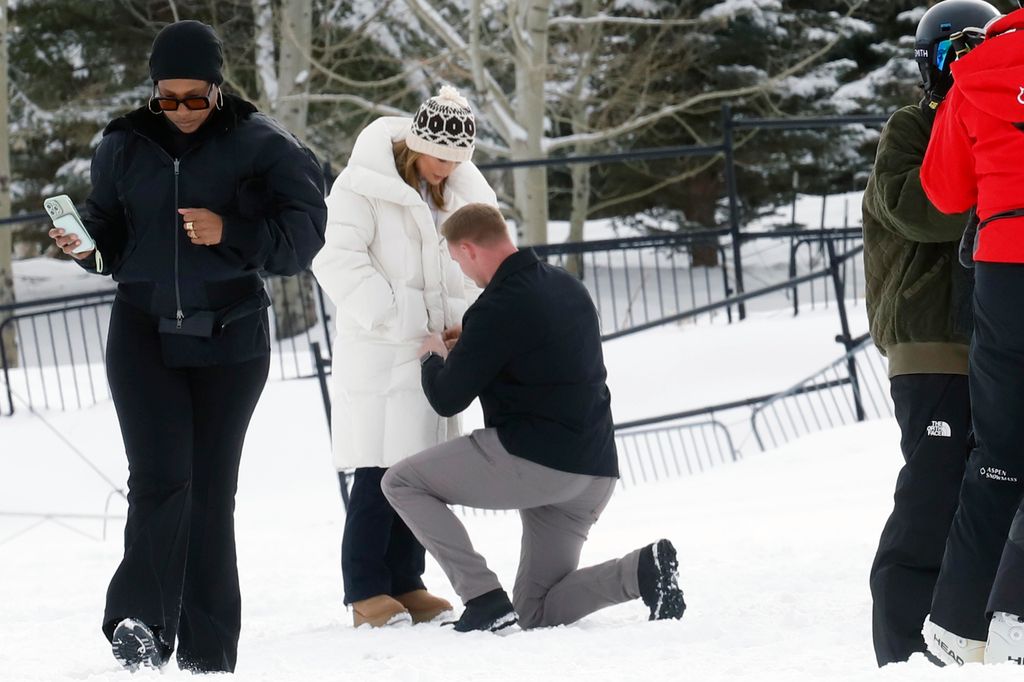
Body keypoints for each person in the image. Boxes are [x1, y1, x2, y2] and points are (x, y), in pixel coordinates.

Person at [47, 20, 327, 673]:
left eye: (193, 98)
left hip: (230, 339)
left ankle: (207, 652)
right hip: (142, 332)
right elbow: (110, 233)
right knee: (160, 480)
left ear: (218, 88)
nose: (180, 111)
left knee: (209, 494)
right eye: (166, 98)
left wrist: (230, 230)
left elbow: (303, 238)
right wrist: (83, 243)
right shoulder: (121, 145)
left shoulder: (265, 146)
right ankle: (140, 624)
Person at [381, 203, 685, 632]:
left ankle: (482, 597)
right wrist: (472, 344)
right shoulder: (568, 287)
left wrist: (433, 355)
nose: (464, 275)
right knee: (536, 611)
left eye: (457, 262)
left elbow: (447, 399)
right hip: (594, 472)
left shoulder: (495, 307)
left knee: (400, 482)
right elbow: (540, 350)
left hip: (535, 463)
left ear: (468, 249)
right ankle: (641, 572)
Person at [311, 87, 498, 628]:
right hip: (382, 350)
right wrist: (397, 315)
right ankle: (366, 589)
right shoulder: (361, 187)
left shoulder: (459, 191)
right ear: (418, 143)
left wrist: (465, 317)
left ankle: (406, 580)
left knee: (418, 472)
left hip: (435, 351)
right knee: (377, 470)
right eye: (441, 156)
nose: (448, 168)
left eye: (459, 159)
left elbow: (474, 260)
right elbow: (336, 261)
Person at [862, 0, 999, 667]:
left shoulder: (1005, 124)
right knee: (933, 493)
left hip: (999, 345)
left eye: (980, 54)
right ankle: (902, 651)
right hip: (933, 344)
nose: (966, 69)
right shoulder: (912, 127)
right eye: (954, 55)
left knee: (995, 495)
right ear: (929, 65)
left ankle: (977, 642)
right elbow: (921, 209)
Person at [920, 1, 1024, 666]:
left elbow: (946, 191)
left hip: (1005, 273)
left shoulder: (977, 71)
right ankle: (1015, 615)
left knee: (1001, 449)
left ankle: (960, 625)